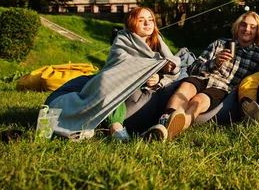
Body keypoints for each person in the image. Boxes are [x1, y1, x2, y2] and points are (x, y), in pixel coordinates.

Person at [47, 7, 180, 140]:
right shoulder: (123, 39)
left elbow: (172, 65)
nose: (148, 23)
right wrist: (152, 68)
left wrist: (159, 75)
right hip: (116, 78)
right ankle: (116, 129)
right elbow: (121, 63)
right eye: (141, 20)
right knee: (111, 87)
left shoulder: (158, 42)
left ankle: (107, 126)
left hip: (140, 88)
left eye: (150, 20)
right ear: (132, 23)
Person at [144, 11, 259, 140]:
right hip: (202, 77)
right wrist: (215, 62)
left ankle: (172, 131)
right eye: (243, 25)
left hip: (222, 87)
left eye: (252, 27)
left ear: (258, 31)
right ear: (237, 27)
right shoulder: (219, 44)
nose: (247, 29)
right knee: (184, 90)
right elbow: (193, 68)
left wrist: (240, 86)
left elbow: (254, 83)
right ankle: (164, 122)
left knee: (197, 102)